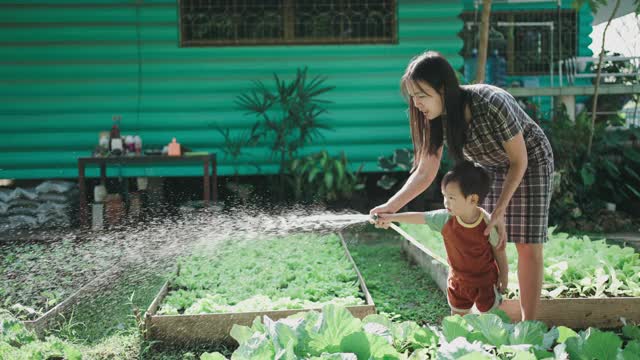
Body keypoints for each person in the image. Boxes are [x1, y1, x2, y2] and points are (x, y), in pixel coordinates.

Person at [371, 51, 554, 320]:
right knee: (487, 237)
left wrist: (500, 211)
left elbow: (519, 160)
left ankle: (530, 324)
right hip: (489, 167)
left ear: (443, 88)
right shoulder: (434, 117)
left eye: (421, 95)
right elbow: (425, 171)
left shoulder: (490, 102)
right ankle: (493, 310)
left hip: (530, 160)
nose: (417, 103)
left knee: (527, 245)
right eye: (412, 96)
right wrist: (391, 206)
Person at [375, 162, 508, 315]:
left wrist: (504, 275)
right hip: (458, 281)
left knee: (491, 319)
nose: (446, 202)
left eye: (451, 197)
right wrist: (391, 217)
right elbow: (420, 217)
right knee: (457, 319)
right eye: (444, 196)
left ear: (473, 200)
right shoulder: (445, 218)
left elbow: (499, 251)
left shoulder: (487, 223)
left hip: (485, 283)